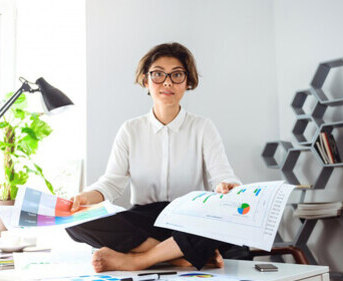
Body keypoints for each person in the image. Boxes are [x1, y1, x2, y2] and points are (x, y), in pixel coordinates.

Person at [66, 42, 244, 273]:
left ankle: (138, 260)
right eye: (158, 74)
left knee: (224, 217)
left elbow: (223, 175)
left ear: (188, 82)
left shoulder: (203, 127)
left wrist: (227, 187)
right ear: (145, 80)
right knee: (74, 221)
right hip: (144, 221)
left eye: (177, 75)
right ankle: (178, 256)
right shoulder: (130, 129)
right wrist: (84, 197)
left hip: (189, 218)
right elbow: (111, 182)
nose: (167, 82)